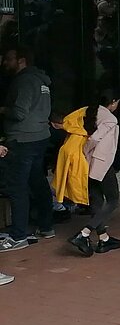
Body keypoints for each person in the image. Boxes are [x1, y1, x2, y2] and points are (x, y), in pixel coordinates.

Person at [0, 47, 55, 252]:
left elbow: (20, 112)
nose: (5, 63)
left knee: (17, 187)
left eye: (8, 59)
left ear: (21, 61)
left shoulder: (23, 81)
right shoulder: (42, 81)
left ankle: (17, 236)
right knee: (37, 181)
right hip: (40, 137)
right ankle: (46, 226)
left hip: (22, 140)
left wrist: (3, 109)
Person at [68, 89, 120, 256]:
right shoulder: (110, 119)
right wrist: (86, 150)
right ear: (113, 102)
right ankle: (83, 234)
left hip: (88, 163)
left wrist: (85, 154)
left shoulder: (90, 111)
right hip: (102, 163)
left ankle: (103, 239)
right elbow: (94, 139)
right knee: (113, 200)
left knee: (96, 200)